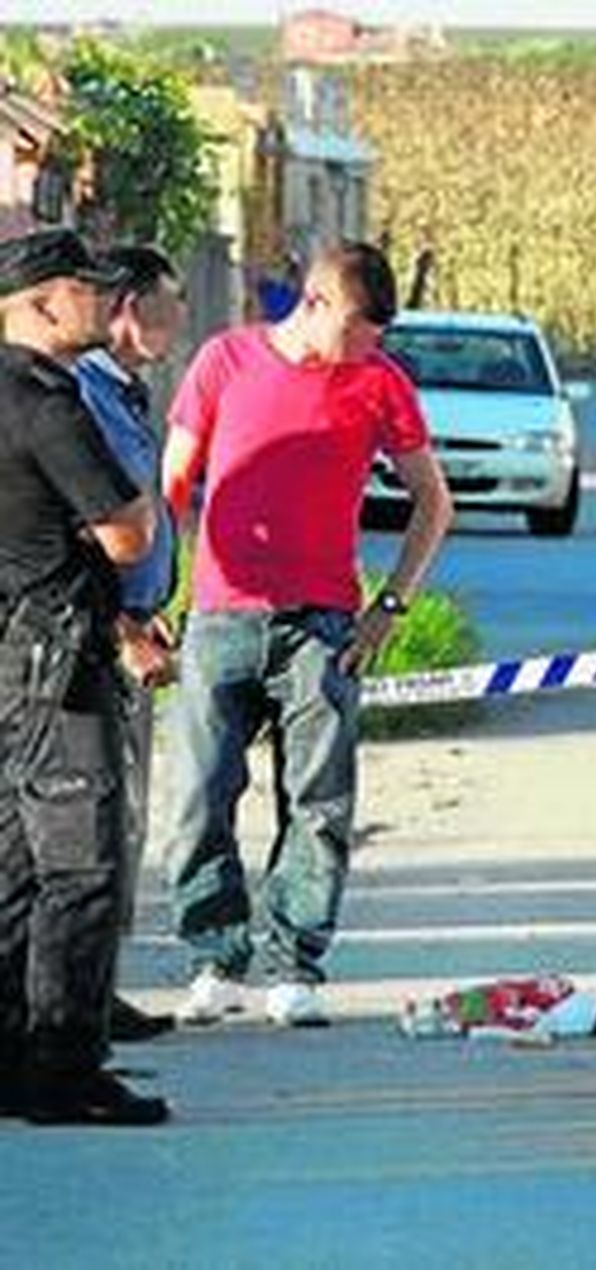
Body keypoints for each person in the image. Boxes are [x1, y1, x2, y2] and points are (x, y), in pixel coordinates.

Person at [162, 240, 452, 1028]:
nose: (373, 345)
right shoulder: (224, 364)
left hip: (323, 625)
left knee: (319, 803)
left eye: (382, 333)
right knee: (199, 796)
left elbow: (434, 502)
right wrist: (151, 598)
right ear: (317, 303)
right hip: (221, 615)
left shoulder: (381, 384)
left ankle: (295, 964)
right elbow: (171, 489)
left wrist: (389, 607)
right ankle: (214, 959)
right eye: (362, 327)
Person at [0, 228, 167, 1125]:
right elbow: (130, 530)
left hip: (15, 655)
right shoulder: (43, 399)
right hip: (55, 666)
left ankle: (13, 1057)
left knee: (18, 867)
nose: (108, 302)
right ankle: (63, 1069)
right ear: (40, 302)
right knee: (80, 867)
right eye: (90, 289)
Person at [74, 245, 187, 1044]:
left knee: (124, 819)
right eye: (167, 304)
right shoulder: (79, 397)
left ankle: (94, 989)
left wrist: (151, 605)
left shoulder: (124, 392)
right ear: (124, 310)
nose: (180, 321)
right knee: (94, 823)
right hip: (95, 640)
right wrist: (123, 628)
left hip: (134, 623)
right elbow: (80, 531)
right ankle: (73, 1002)